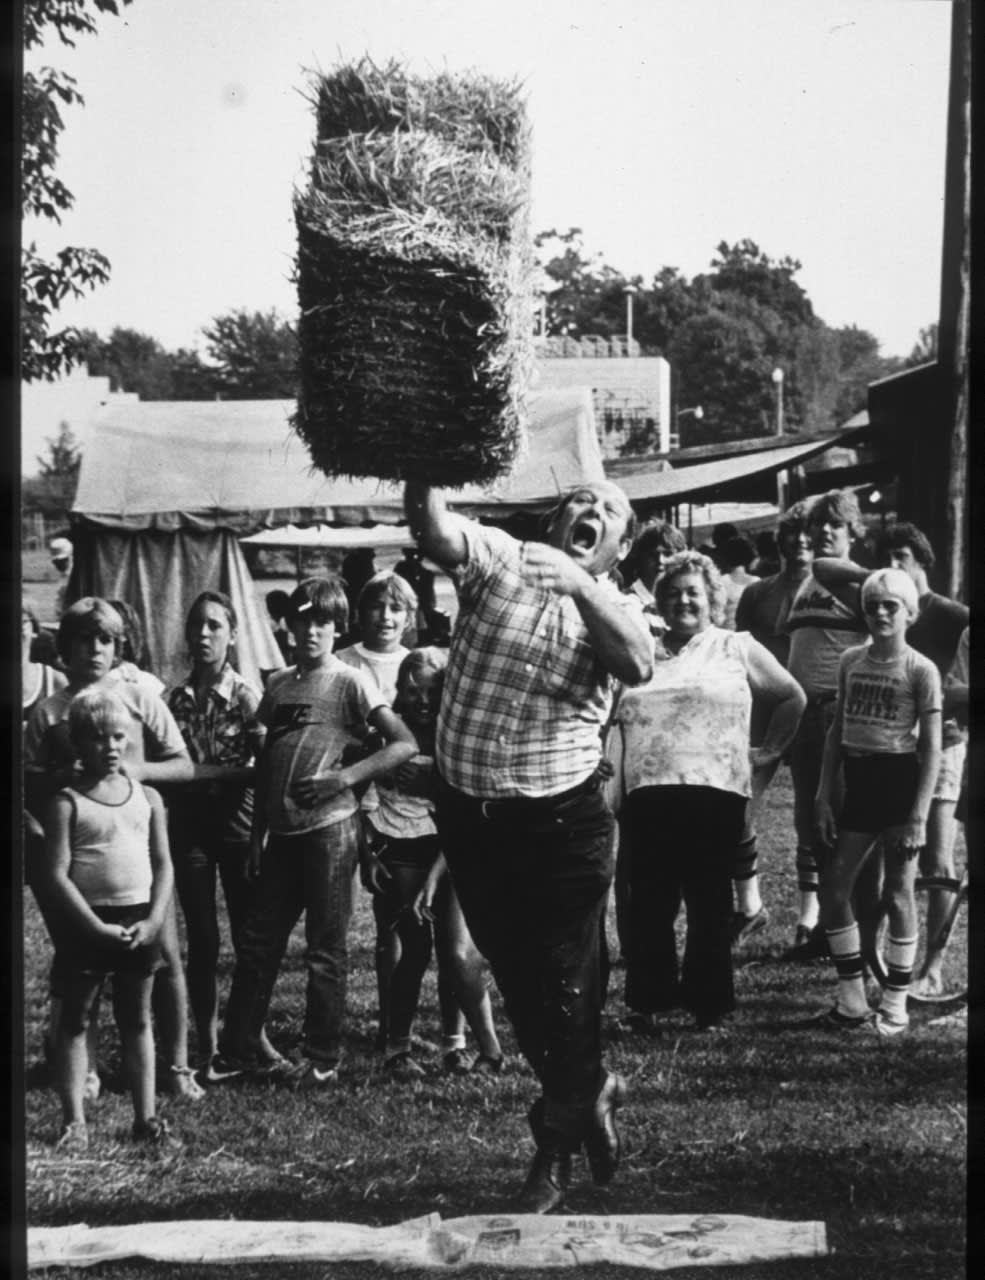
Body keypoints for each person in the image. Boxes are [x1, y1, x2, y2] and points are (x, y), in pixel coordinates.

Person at [405, 477, 652, 1213]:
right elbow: (434, 530)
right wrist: (424, 469)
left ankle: (553, 1143)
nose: (593, 511)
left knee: (565, 988)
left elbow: (637, 663)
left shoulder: (619, 605)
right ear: (556, 518)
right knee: (518, 984)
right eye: (582, 500)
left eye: (610, 511)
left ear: (619, 548)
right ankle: (589, 1089)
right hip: (473, 821)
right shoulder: (501, 557)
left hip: (560, 825)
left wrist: (580, 586)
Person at [214, 578, 416, 1088]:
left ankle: (322, 1057)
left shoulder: (350, 681)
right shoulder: (280, 684)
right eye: (302, 620)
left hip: (330, 830)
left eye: (322, 622)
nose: (311, 631)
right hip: (281, 835)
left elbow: (403, 744)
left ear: (337, 627)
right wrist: (258, 833)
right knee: (258, 944)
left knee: (325, 948)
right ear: (289, 625)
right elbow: (267, 762)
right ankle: (238, 1050)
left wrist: (342, 779)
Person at [613, 550, 805, 1032]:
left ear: (712, 600)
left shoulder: (736, 646)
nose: (684, 601)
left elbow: (791, 697)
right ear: (660, 601)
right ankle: (648, 1003)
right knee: (649, 903)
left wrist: (767, 753)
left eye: (693, 593)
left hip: (715, 791)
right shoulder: (642, 650)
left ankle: (709, 1005)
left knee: (710, 903)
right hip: (648, 790)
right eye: (674, 593)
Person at [24, 598, 203, 1103]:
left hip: (137, 848)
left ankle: (177, 1067)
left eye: (105, 640)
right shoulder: (50, 711)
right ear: (65, 647)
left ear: (118, 645)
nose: (95, 650)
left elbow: (184, 764)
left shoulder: (139, 696)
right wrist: (63, 778)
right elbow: (28, 779)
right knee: (82, 959)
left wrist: (139, 772)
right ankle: (85, 1070)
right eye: (84, 639)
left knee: (164, 956)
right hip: (81, 853)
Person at [811, 521, 969, 998]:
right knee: (868, 874)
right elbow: (824, 569)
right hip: (876, 755)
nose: (893, 564)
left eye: (903, 556)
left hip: (936, 748)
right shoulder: (872, 617)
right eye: (886, 557)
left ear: (924, 561)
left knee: (933, 863)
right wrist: (878, 578)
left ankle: (931, 966)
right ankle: (865, 976)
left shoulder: (951, 614)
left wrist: (946, 700)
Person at [40, 688, 177, 1150]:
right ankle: (74, 1121)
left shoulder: (148, 797)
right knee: (76, 1019)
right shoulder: (67, 802)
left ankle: (146, 1118)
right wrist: (93, 927)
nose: (111, 746)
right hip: (87, 923)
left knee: (137, 1019)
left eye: (118, 736)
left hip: (139, 921)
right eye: (99, 738)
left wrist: (154, 920)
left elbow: (164, 865)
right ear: (78, 742)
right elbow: (55, 874)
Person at [359, 647, 504, 1077]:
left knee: (455, 950)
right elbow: (361, 799)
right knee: (415, 946)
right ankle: (397, 1048)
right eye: (413, 691)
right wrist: (368, 854)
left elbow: (465, 812)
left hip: (451, 850)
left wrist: (435, 784)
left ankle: (460, 1045)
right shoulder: (386, 736)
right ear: (399, 692)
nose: (423, 700)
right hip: (400, 846)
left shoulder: (455, 738)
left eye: (432, 691)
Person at [810, 569, 942, 1034]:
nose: (881, 613)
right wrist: (823, 796)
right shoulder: (851, 660)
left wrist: (918, 816)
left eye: (891, 606)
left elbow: (931, 748)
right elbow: (836, 732)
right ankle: (851, 1002)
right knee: (834, 889)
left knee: (898, 892)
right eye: (873, 606)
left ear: (910, 613)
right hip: (859, 779)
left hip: (900, 779)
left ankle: (895, 1006)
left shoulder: (921, 669)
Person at [166, 591, 281, 1078]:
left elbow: (265, 769)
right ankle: (208, 1049)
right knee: (203, 939)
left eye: (215, 625)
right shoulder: (173, 699)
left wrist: (257, 837)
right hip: (190, 826)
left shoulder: (248, 696)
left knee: (248, 937)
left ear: (233, 635)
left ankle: (254, 1037)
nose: (204, 634)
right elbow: (167, 766)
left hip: (238, 824)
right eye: (197, 625)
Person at [783, 490, 869, 954]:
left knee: (840, 824)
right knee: (810, 825)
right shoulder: (807, 583)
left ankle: (851, 930)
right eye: (819, 524)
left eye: (836, 524)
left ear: (855, 532)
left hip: (838, 715)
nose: (824, 531)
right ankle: (829, 927)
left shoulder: (857, 583)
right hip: (803, 719)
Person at [731, 502, 813, 938]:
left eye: (807, 533)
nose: (800, 541)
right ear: (779, 541)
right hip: (765, 709)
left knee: (811, 814)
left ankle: (810, 916)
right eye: (791, 533)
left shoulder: (832, 592)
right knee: (739, 805)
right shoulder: (757, 593)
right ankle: (749, 905)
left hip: (814, 709)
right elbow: (738, 652)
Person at [336, 571, 419, 706]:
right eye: (376, 607)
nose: (385, 616)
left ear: (408, 618)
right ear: (362, 612)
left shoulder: (414, 665)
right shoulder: (340, 661)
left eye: (396, 608)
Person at [621, 520, 688, 637]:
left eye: (668, 554)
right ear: (641, 557)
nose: (660, 561)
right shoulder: (629, 603)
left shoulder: (680, 601)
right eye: (653, 555)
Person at [49, 536, 74, 617]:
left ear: (69, 558)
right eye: (55, 562)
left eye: (60, 561)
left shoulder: (74, 576)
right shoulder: (64, 575)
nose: (56, 565)